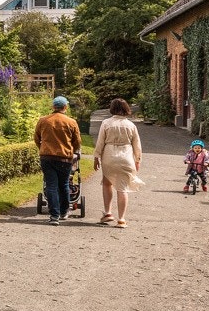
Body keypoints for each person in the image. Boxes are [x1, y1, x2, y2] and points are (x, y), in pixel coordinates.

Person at [93, 98, 143, 227]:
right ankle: (121, 219)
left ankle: (108, 213)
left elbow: (100, 142)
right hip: (126, 156)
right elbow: (137, 145)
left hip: (109, 156)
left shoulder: (106, 123)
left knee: (106, 183)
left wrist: (96, 157)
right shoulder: (131, 125)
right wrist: (137, 160)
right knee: (123, 188)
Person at [34, 95, 82, 225]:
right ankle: (64, 211)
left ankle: (54, 215)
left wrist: (43, 148)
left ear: (53, 107)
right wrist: (71, 150)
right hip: (64, 158)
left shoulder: (43, 121)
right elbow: (77, 141)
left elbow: (36, 138)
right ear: (65, 107)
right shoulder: (71, 122)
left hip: (47, 157)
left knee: (51, 185)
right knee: (64, 185)